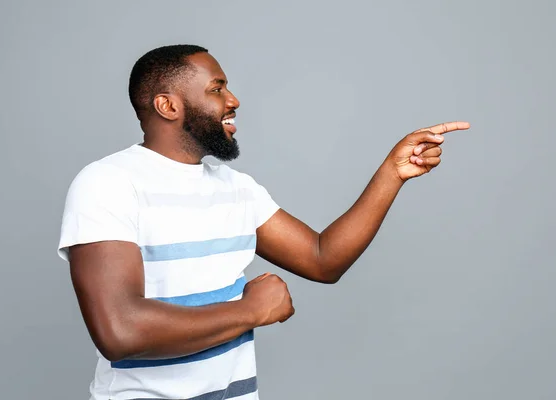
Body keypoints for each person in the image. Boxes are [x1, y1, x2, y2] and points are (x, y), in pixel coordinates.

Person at [57, 44, 470, 400]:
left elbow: (323, 260)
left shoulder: (237, 188)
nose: (233, 99)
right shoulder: (108, 183)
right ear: (168, 105)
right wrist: (251, 311)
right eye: (217, 88)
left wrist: (392, 173)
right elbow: (120, 332)